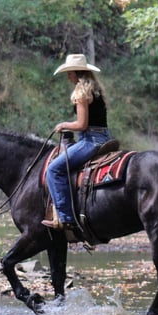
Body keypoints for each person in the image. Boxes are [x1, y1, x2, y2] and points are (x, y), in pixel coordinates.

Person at [42, 53, 112, 230]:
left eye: (69, 73)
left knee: (54, 170)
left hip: (90, 140)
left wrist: (63, 125)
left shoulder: (81, 93)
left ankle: (66, 218)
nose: (68, 76)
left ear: (76, 73)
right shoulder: (96, 90)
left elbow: (82, 124)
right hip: (104, 136)